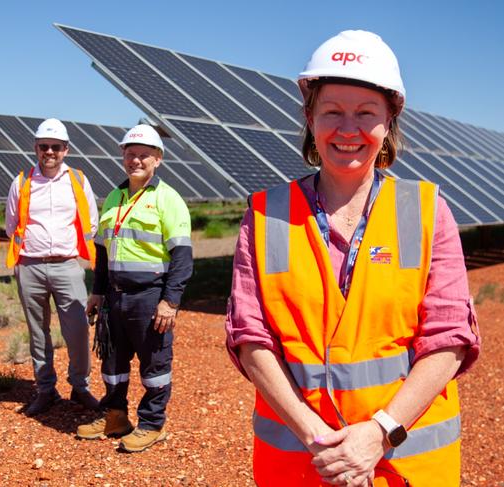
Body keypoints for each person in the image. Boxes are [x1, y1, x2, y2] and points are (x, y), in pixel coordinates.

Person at [225, 30, 481, 486]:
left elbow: (448, 339)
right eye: (332, 112)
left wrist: (378, 434)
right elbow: (251, 338)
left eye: (366, 113)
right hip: (301, 465)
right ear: (309, 116)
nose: (348, 129)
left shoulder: (426, 211)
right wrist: (317, 437)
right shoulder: (264, 215)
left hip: (404, 466)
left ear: (389, 120)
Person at [76, 124, 193, 453]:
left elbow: (183, 257)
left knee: (154, 366)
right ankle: (114, 415)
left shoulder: (168, 199)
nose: (136, 160)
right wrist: (97, 291)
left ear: (158, 159)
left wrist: (170, 302)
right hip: (114, 297)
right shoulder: (114, 196)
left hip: (149, 296)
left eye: (144, 155)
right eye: (131, 154)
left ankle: (152, 424)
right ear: (123, 156)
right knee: (112, 363)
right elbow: (103, 252)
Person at [5, 118, 100, 415]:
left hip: (67, 265)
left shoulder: (79, 180)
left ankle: (80, 387)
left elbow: (92, 224)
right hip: (30, 266)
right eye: (44, 146)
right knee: (38, 332)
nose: (50, 151)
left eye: (56, 147)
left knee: (77, 330)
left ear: (65, 149)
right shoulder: (21, 181)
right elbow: (11, 226)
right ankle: (45, 390)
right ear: (35, 148)